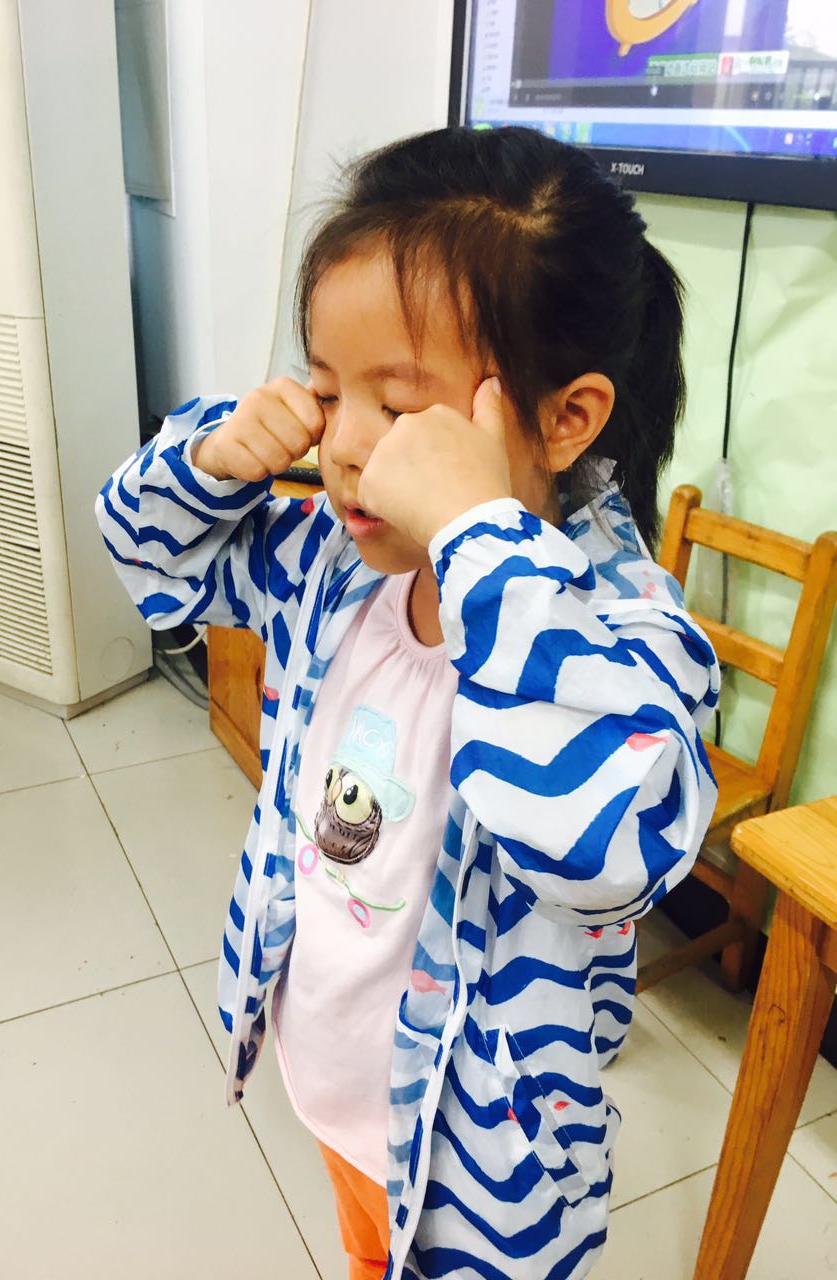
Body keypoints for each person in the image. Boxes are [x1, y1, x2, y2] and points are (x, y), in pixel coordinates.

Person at [97, 126, 719, 1280]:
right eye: (327, 389)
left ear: (566, 418)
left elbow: (608, 844)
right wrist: (214, 458)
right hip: (340, 1081)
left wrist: (481, 536)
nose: (344, 446)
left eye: (398, 409)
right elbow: (151, 559)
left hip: (478, 1164)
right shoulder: (335, 565)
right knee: (365, 1245)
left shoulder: (622, 632)